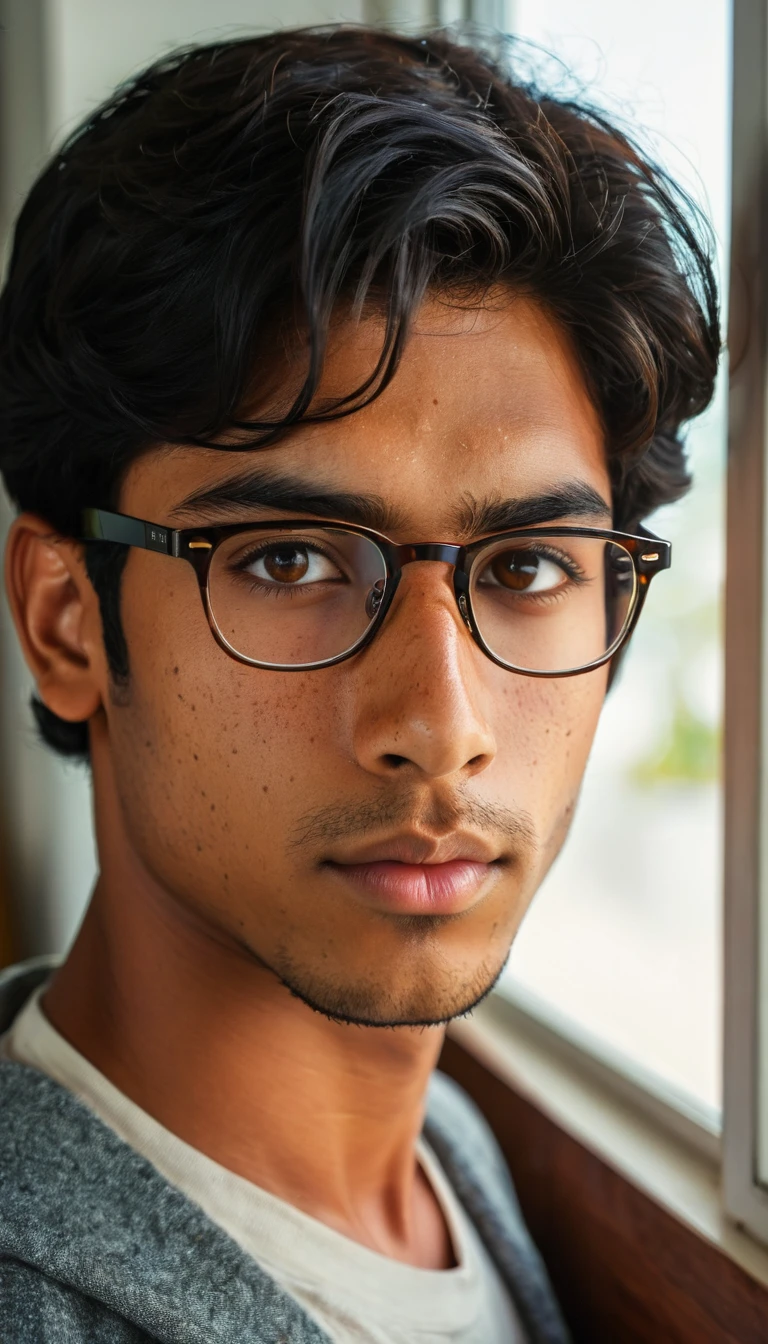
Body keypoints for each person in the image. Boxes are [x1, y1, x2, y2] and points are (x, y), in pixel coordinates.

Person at [0, 24, 719, 1344]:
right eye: (289, 560)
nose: (441, 729)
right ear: (66, 623)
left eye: (528, 567)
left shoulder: (449, 1156)